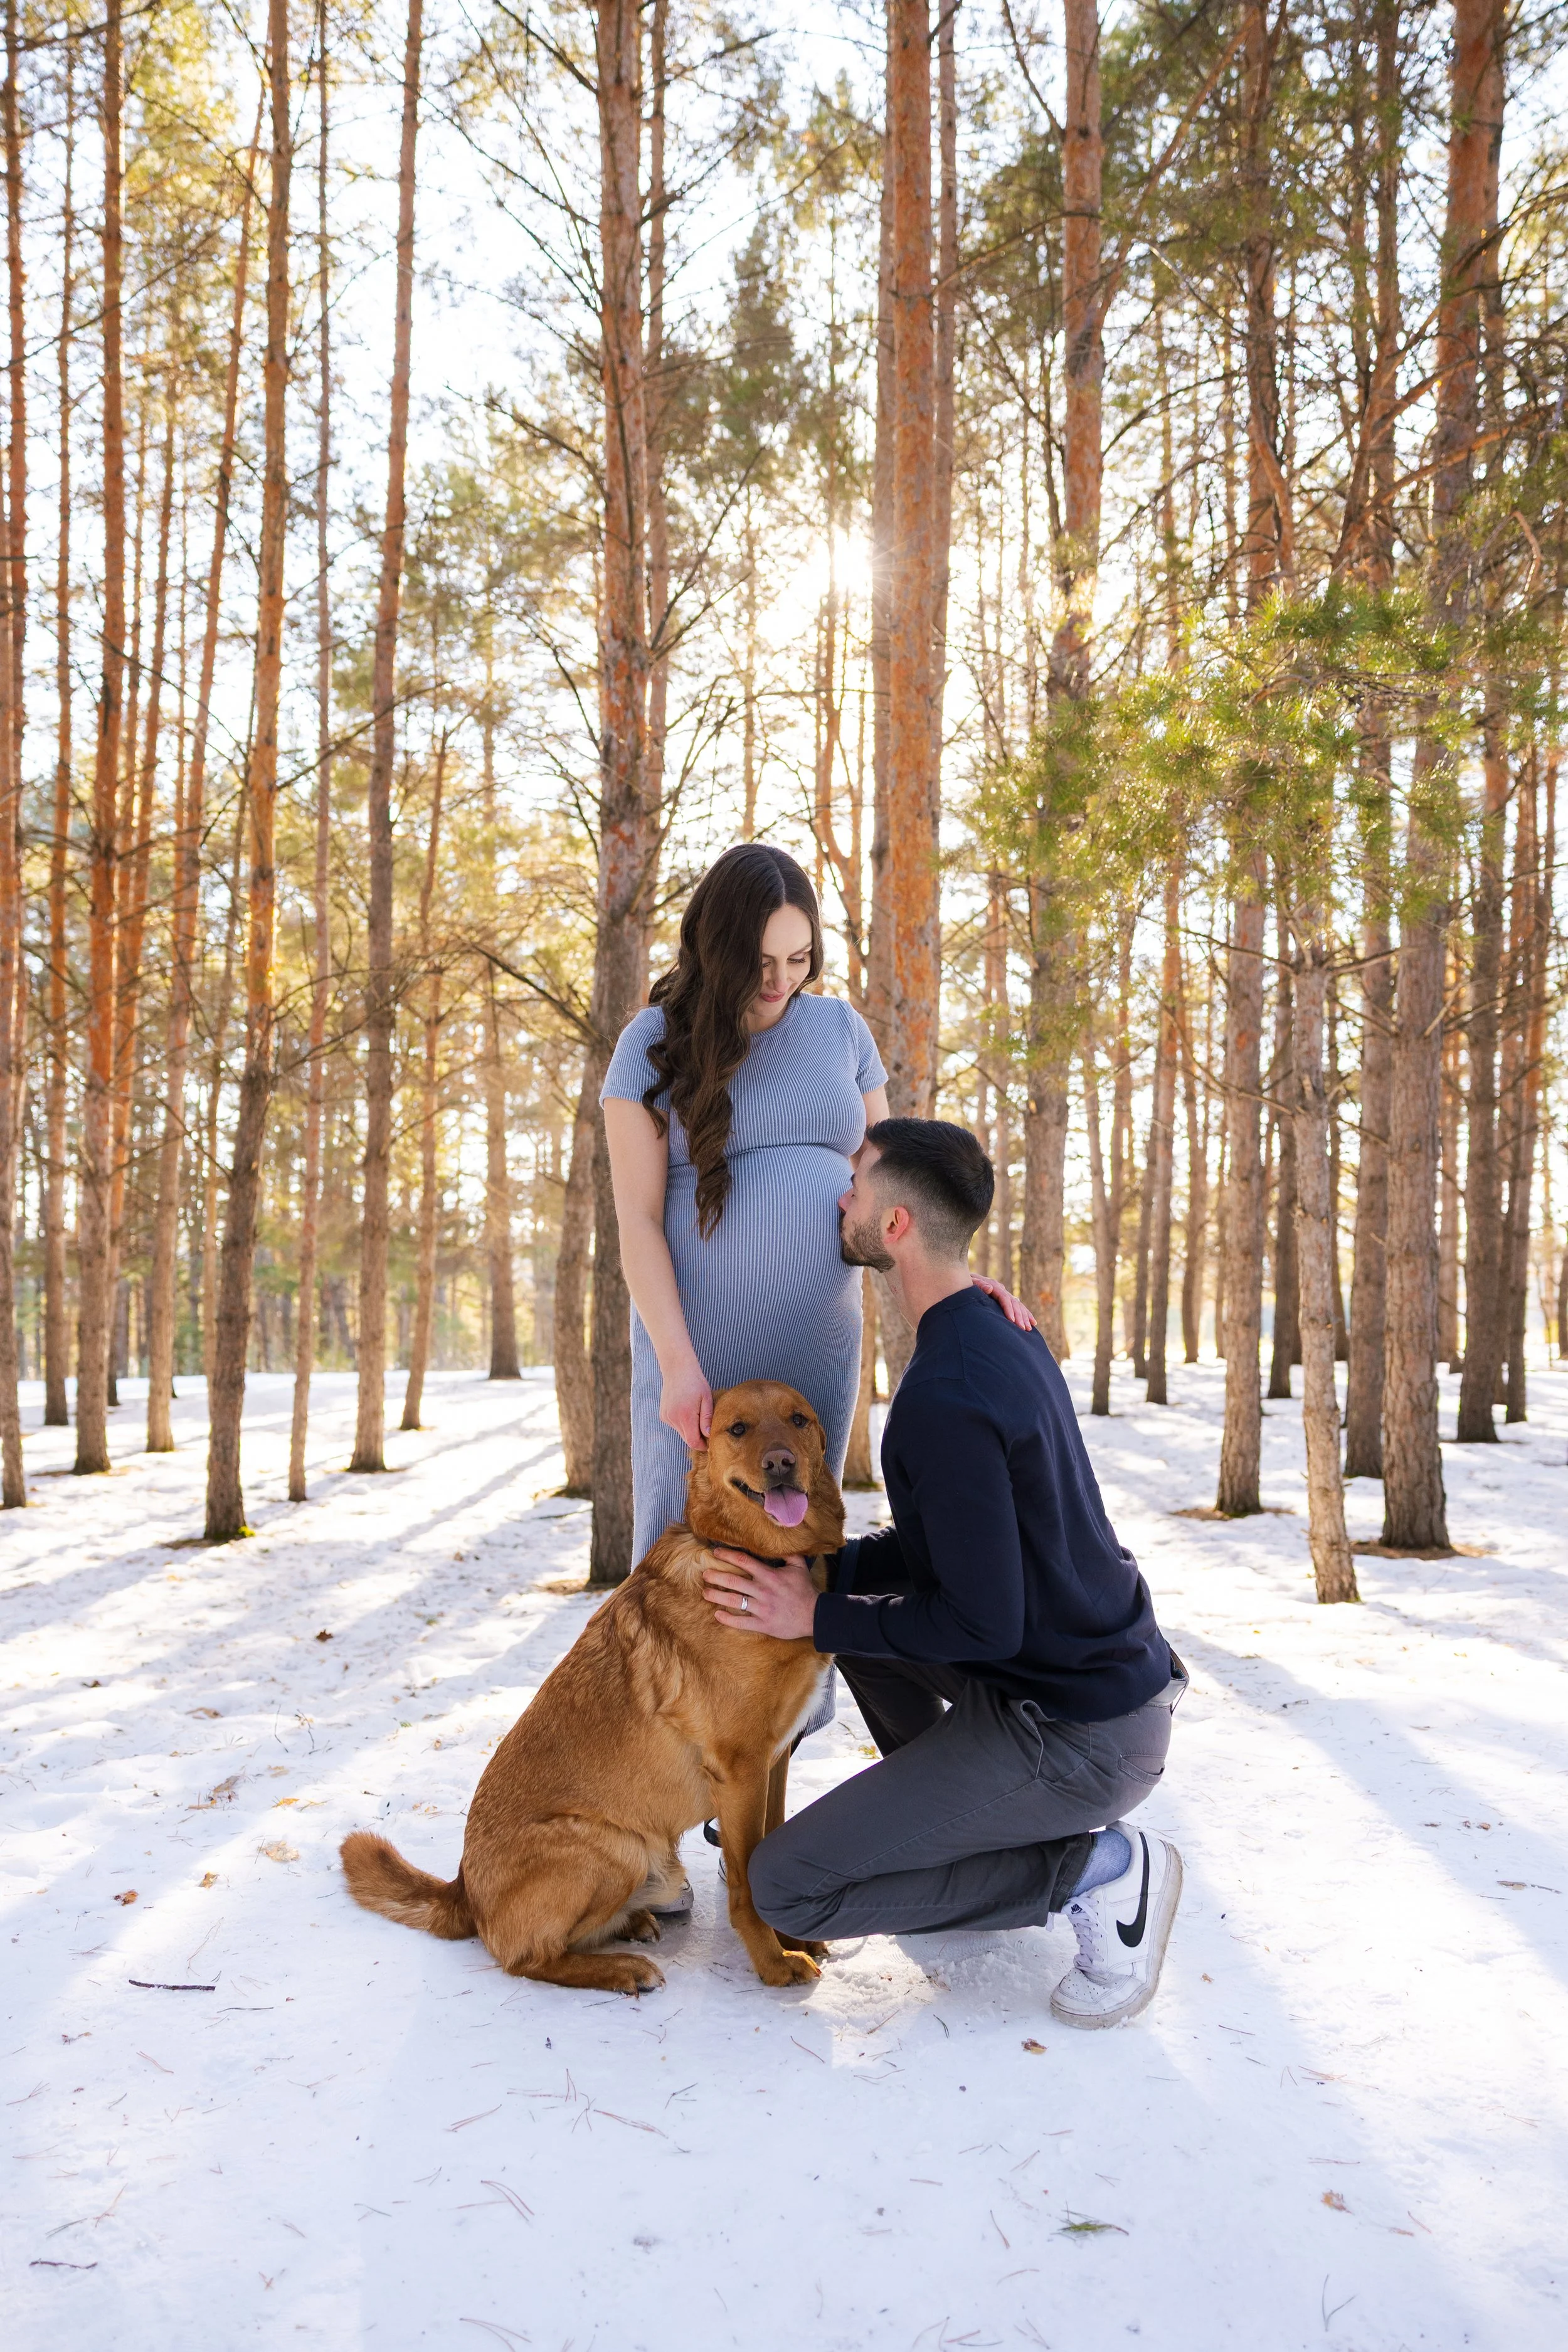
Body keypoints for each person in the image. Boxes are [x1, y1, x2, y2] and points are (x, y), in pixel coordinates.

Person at [701, 1117, 1186, 2030]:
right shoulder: (999, 1329)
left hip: (1082, 1736)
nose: (840, 1198)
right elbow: (948, 1563)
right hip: (1083, 1684)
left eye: (855, 1185)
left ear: (892, 1227)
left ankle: (1099, 1873)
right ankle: (959, 1838)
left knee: (789, 1889)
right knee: (857, 1617)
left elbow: (981, 1623)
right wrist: (823, 1578)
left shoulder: (944, 1395)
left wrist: (812, 1618)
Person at [600, 845, 1030, 1567]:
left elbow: (888, 1183)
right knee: (685, 1561)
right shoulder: (651, 1043)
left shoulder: (839, 1030)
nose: (779, 981)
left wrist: (954, 1275)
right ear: (716, 948)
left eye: (798, 958)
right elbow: (637, 1221)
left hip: (817, 1344)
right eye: (759, 962)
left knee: (802, 1553)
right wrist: (678, 1365)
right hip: (697, 1349)